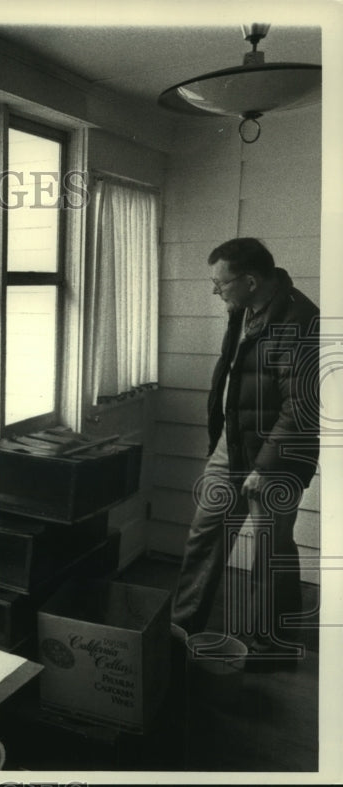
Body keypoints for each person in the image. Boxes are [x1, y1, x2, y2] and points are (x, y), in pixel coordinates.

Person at [171, 237, 319, 666]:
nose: (216, 291)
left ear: (251, 281)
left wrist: (264, 466)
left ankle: (268, 640)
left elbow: (302, 406)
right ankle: (182, 627)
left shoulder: (302, 319)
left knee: (271, 546)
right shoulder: (243, 310)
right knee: (206, 532)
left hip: (279, 455)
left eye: (222, 283)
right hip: (232, 445)